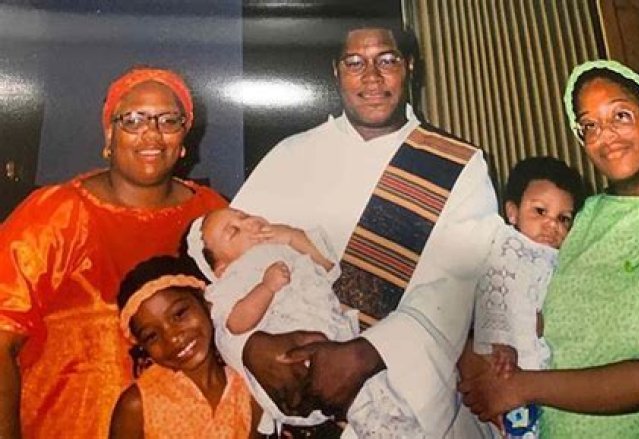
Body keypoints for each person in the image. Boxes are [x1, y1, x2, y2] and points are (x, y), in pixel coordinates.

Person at [229, 24, 537, 438]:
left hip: (405, 404)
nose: (372, 77)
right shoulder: (290, 155)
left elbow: (457, 286)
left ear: (409, 66)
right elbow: (228, 263)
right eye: (355, 63)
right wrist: (248, 345)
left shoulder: (458, 165)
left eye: (386, 60)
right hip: (292, 405)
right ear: (336, 71)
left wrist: (365, 354)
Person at [459, 59, 639, 438]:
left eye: (620, 115)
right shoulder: (583, 216)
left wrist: (519, 386)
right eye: (590, 126)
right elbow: (541, 307)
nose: (606, 135)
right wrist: (487, 352)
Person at [0, 67, 227, 438]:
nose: (152, 133)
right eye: (134, 120)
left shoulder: (213, 215)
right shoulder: (57, 214)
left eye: (168, 120)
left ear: (184, 135)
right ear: (109, 134)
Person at [185, 207, 424, 437]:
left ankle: (405, 428)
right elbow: (236, 323)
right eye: (234, 231)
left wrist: (290, 236)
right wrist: (266, 288)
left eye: (244, 216)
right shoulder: (233, 278)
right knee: (358, 399)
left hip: (334, 336)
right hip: (293, 358)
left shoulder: (282, 246)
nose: (248, 223)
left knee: (381, 390)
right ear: (221, 268)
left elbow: (328, 265)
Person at [471, 157, 586, 438]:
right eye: (540, 211)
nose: (551, 225)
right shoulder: (509, 247)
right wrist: (500, 340)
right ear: (513, 213)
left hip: (543, 364)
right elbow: (493, 291)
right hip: (510, 356)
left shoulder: (560, 257)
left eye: (563, 218)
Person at [109, 255, 257, 439]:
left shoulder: (248, 385)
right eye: (152, 336)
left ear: (204, 302)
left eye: (179, 314)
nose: (172, 338)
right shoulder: (138, 405)